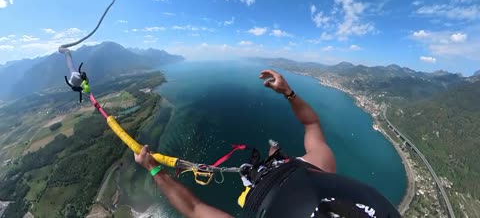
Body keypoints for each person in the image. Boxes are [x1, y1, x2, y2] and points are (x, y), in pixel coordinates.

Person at [134, 69, 401, 218]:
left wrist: (288, 92)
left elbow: (195, 209)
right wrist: (154, 170)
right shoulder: (320, 166)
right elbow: (196, 210)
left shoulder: (321, 168)